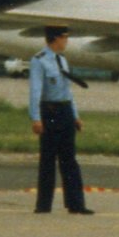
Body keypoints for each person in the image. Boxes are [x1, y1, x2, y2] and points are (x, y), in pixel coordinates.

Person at [28, 25, 91, 214]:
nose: (67, 41)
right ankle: (43, 205)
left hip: (64, 111)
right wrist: (36, 118)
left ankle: (76, 204)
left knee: (69, 160)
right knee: (48, 159)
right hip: (50, 112)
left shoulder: (62, 61)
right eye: (64, 37)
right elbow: (35, 91)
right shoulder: (39, 61)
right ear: (55, 38)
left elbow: (68, 91)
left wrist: (76, 116)